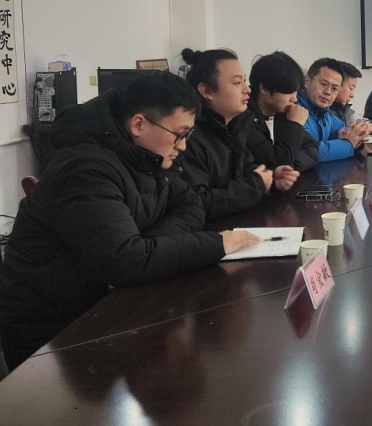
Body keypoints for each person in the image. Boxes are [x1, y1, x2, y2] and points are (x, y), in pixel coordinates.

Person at [0, 72, 260, 371]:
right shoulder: (85, 169)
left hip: (107, 302)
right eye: (179, 134)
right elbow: (125, 262)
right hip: (53, 334)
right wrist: (217, 244)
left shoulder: (147, 155)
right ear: (138, 124)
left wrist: (147, 246)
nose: (183, 146)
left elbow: (190, 205)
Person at [180, 48, 299, 220]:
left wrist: (272, 179)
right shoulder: (188, 136)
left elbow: (245, 171)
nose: (247, 89)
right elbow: (195, 202)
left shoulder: (236, 125)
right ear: (207, 91)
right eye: (237, 83)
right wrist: (257, 185)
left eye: (244, 80)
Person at [246, 51, 318, 172]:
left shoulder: (282, 113)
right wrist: (295, 125)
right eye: (289, 92)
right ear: (264, 88)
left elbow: (312, 148)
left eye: (296, 92)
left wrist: (290, 167)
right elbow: (275, 162)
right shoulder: (246, 118)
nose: (294, 99)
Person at [299, 58, 369, 162]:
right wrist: (347, 144)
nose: (328, 92)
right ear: (307, 82)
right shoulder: (294, 111)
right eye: (323, 84)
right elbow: (308, 151)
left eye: (334, 88)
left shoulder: (326, 114)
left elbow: (343, 132)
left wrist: (356, 139)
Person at [332, 61, 372, 135]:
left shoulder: (344, 109)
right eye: (351, 88)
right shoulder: (325, 112)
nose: (352, 95)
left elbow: (358, 121)